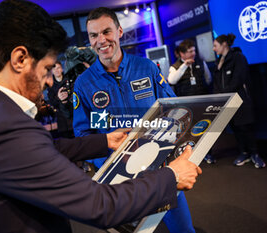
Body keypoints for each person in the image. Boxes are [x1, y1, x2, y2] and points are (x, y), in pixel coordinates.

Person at [0, 1, 202, 232]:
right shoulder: (6, 127)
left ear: (118, 32)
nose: (47, 81)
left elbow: (47, 148)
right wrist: (171, 176)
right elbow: (99, 205)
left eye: (106, 32)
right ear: (20, 59)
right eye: (47, 69)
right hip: (126, 177)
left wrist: (105, 140)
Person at [73, 7, 197, 233]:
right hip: (121, 180)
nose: (101, 40)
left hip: (160, 170)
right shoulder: (83, 84)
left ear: (120, 31)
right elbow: (84, 134)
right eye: (94, 35)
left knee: (183, 229)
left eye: (107, 31)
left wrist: (183, 148)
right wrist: (108, 166)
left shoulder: (146, 68)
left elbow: (174, 110)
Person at [212, 33, 266, 168]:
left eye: (215, 45)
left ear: (224, 44)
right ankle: (243, 153)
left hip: (241, 101)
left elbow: (238, 79)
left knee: (246, 128)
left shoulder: (238, 58)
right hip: (228, 103)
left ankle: (255, 154)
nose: (213, 49)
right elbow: (217, 82)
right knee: (236, 128)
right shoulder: (219, 61)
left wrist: (224, 94)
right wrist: (219, 97)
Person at [167, 39, 215, 164]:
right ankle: (192, 155)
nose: (193, 53)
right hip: (186, 105)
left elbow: (208, 79)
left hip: (202, 102)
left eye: (193, 50)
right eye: (189, 51)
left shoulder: (200, 62)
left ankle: (207, 154)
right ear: (182, 54)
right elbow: (171, 80)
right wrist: (184, 66)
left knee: (205, 129)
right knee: (190, 132)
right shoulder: (175, 67)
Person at [47, 61, 74, 138]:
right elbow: (52, 102)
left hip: (73, 115)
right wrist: (59, 98)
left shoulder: (70, 81)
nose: (56, 70)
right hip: (62, 121)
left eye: (58, 68)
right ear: (51, 71)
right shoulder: (50, 85)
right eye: (54, 68)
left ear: (62, 69)